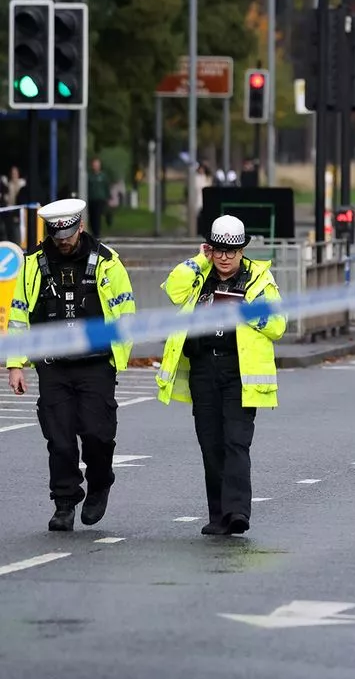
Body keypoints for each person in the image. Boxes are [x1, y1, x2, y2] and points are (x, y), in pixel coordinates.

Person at [5, 198, 137, 532]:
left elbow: (125, 314)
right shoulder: (34, 263)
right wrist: (15, 364)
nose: (63, 240)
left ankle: (99, 482)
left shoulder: (107, 262)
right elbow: (20, 313)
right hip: (54, 366)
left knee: (97, 434)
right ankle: (64, 502)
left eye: (68, 233)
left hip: (96, 364)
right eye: (56, 234)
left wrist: (116, 359)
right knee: (60, 439)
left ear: (80, 226)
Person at [155, 215, 286, 536]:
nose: (224, 258)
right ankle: (218, 516)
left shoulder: (260, 281)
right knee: (211, 445)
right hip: (203, 370)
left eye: (231, 252)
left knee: (236, 443)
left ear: (243, 251)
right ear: (210, 250)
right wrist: (200, 259)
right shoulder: (199, 277)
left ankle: (237, 512)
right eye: (218, 251)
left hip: (240, 371)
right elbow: (173, 288)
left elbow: (278, 326)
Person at [86, 158, 111, 239]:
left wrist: (107, 197)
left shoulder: (103, 176)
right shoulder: (89, 176)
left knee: (97, 216)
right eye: (94, 165)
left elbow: (106, 187)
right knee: (92, 216)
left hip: (100, 199)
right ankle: (93, 231)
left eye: (97, 165)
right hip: (91, 199)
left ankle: (97, 232)